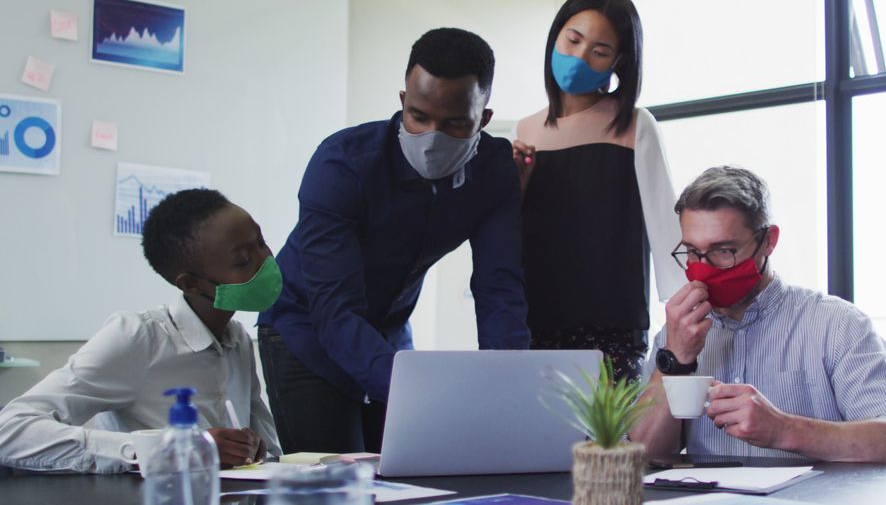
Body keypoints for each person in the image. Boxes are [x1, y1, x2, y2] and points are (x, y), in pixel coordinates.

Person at [258, 28, 531, 454]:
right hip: (306, 328)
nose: (431, 137)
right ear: (402, 101)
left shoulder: (494, 170)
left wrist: (507, 382)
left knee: (401, 474)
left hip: (387, 329)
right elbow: (334, 309)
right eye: (419, 116)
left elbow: (499, 288)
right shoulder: (343, 164)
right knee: (335, 484)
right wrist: (415, 388)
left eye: (456, 123)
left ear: (484, 119)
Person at [630, 166, 886, 465]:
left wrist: (785, 430)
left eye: (723, 250)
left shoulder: (836, 325)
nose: (702, 267)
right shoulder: (679, 333)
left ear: (768, 241)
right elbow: (642, 454)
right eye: (693, 252)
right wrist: (674, 359)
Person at [0, 189, 281, 473]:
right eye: (243, 261)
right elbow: (10, 431)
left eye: (261, 242)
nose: (266, 260)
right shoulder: (138, 337)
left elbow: (268, 452)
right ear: (191, 284)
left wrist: (255, 450)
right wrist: (167, 450)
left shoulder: (238, 340)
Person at [511, 0, 682, 382]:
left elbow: (665, 226)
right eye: (573, 40)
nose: (579, 57)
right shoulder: (526, 129)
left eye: (599, 51)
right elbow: (518, 229)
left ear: (618, 62)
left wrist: (683, 310)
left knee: (611, 442)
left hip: (612, 326)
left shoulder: (636, 125)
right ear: (556, 35)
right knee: (541, 441)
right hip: (537, 319)